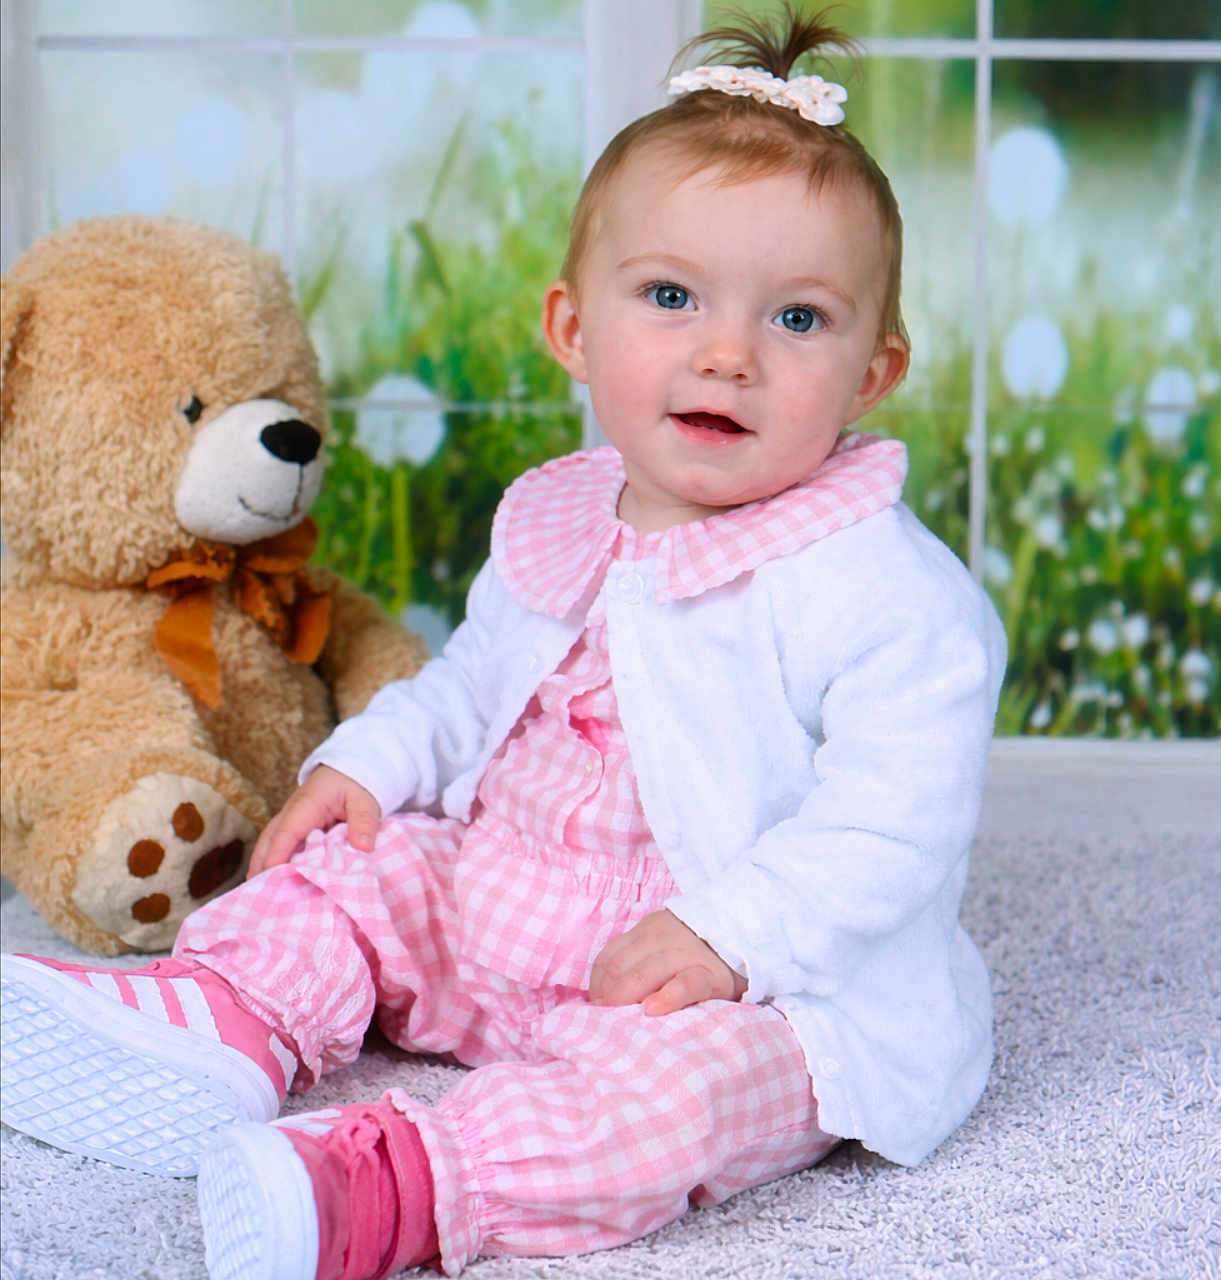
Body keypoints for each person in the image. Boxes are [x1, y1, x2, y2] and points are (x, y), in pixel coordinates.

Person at [0, 8, 1006, 1279]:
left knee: (676, 1095)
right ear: (573, 329)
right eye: (670, 295)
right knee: (366, 867)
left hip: (740, 972)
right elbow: (470, 685)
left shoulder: (879, 586)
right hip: (510, 896)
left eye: (798, 320)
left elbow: (890, 823)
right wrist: (365, 766)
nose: (726, 352)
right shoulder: (568, 509)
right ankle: (227, 1020)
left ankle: (405, 1185)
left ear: (875, 369)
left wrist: (731, 932)